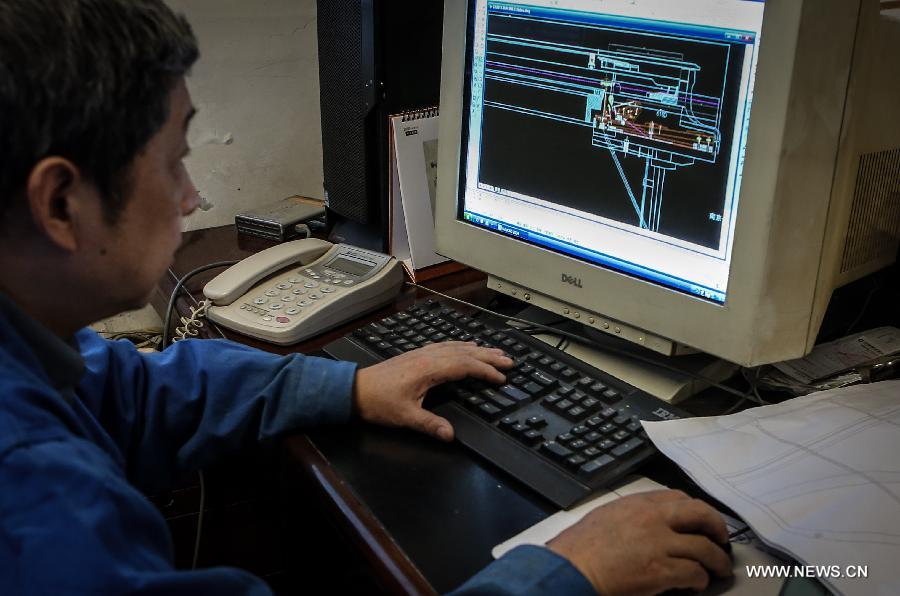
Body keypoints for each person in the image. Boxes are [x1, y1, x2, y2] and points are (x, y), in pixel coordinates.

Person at [0, 1, 734, 594]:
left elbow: (123, 390)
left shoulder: (26, 357)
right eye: (174, 162)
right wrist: (568, 572)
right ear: (61, 204)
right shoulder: (39, 509)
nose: (194, 198)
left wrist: (350, 386)